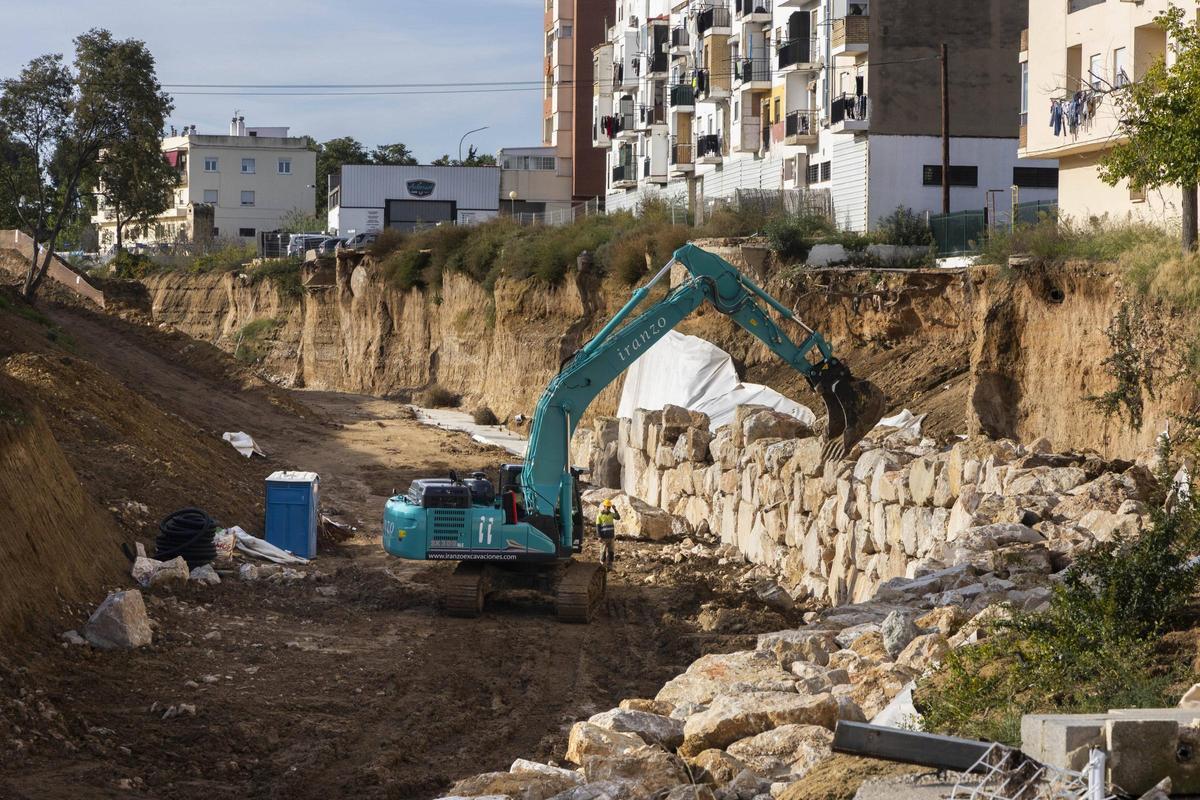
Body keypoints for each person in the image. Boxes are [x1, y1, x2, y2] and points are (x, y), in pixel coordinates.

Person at [596, 498, 621, 569]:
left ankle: (610, 565)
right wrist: (599, 536)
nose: (608, 508)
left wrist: (615, 509)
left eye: (609, 507)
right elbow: (598, 527)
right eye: (607, 507)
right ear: (604, 506)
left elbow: (618, 517)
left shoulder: (611, 514)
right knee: (603, 551)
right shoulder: (599, 515)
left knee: (611, 551)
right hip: (603, 537)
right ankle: (602, 564)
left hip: (611, 537)